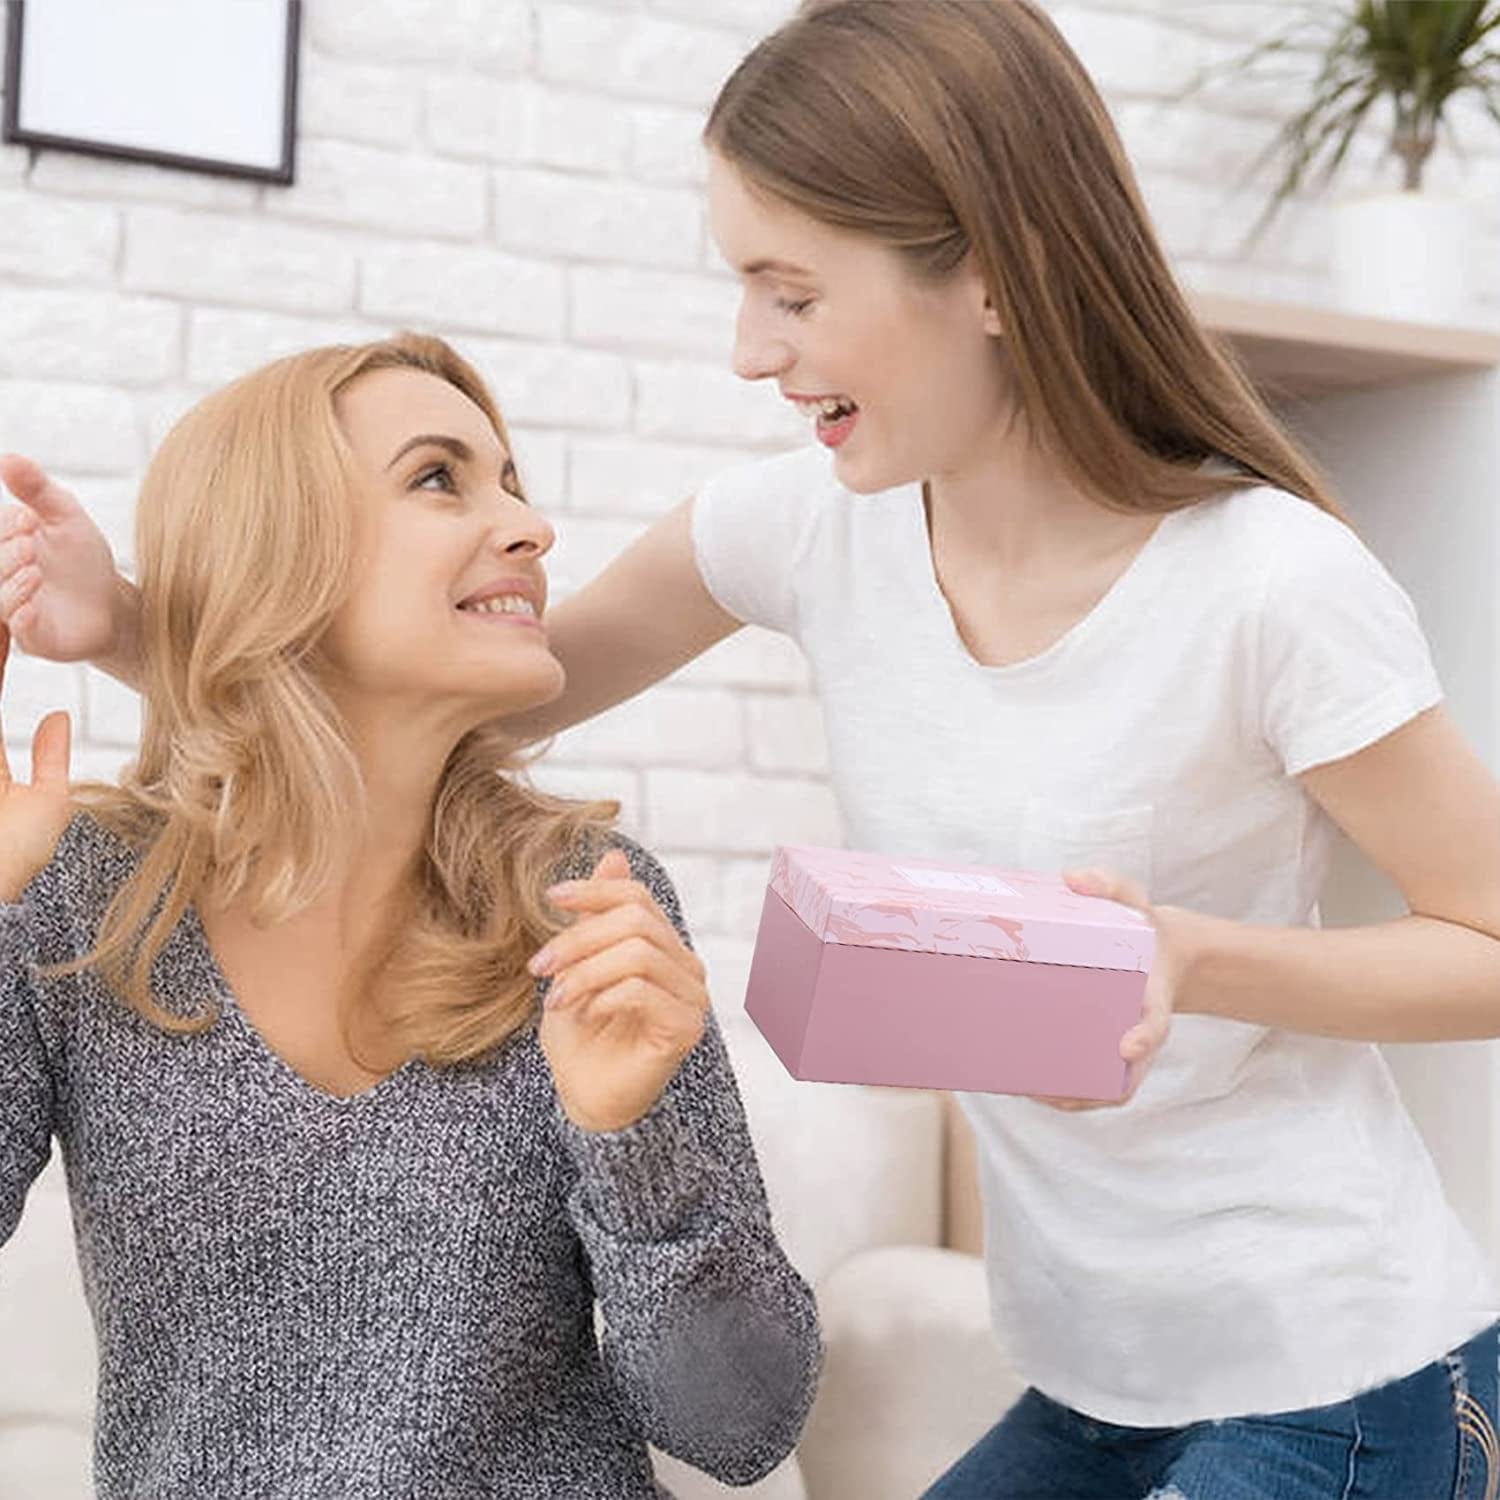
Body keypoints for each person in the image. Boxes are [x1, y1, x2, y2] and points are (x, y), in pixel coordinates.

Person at [6, 1, 1500, 1495]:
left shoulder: (1270, 582)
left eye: (789, 293)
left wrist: (1191, 959)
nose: (747, 350)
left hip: (1335, 1364)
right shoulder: (816, 527)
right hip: (1095, 1370)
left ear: (991, 269)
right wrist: (135, 622)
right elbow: (464, 683)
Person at [0, 332, 820, 1500]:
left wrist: (631, 1133)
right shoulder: (85, 895)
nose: (532, 530)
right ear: (277, 551)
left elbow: (740, 1426)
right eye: (440, 477)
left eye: (514, 483)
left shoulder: (585, 897)